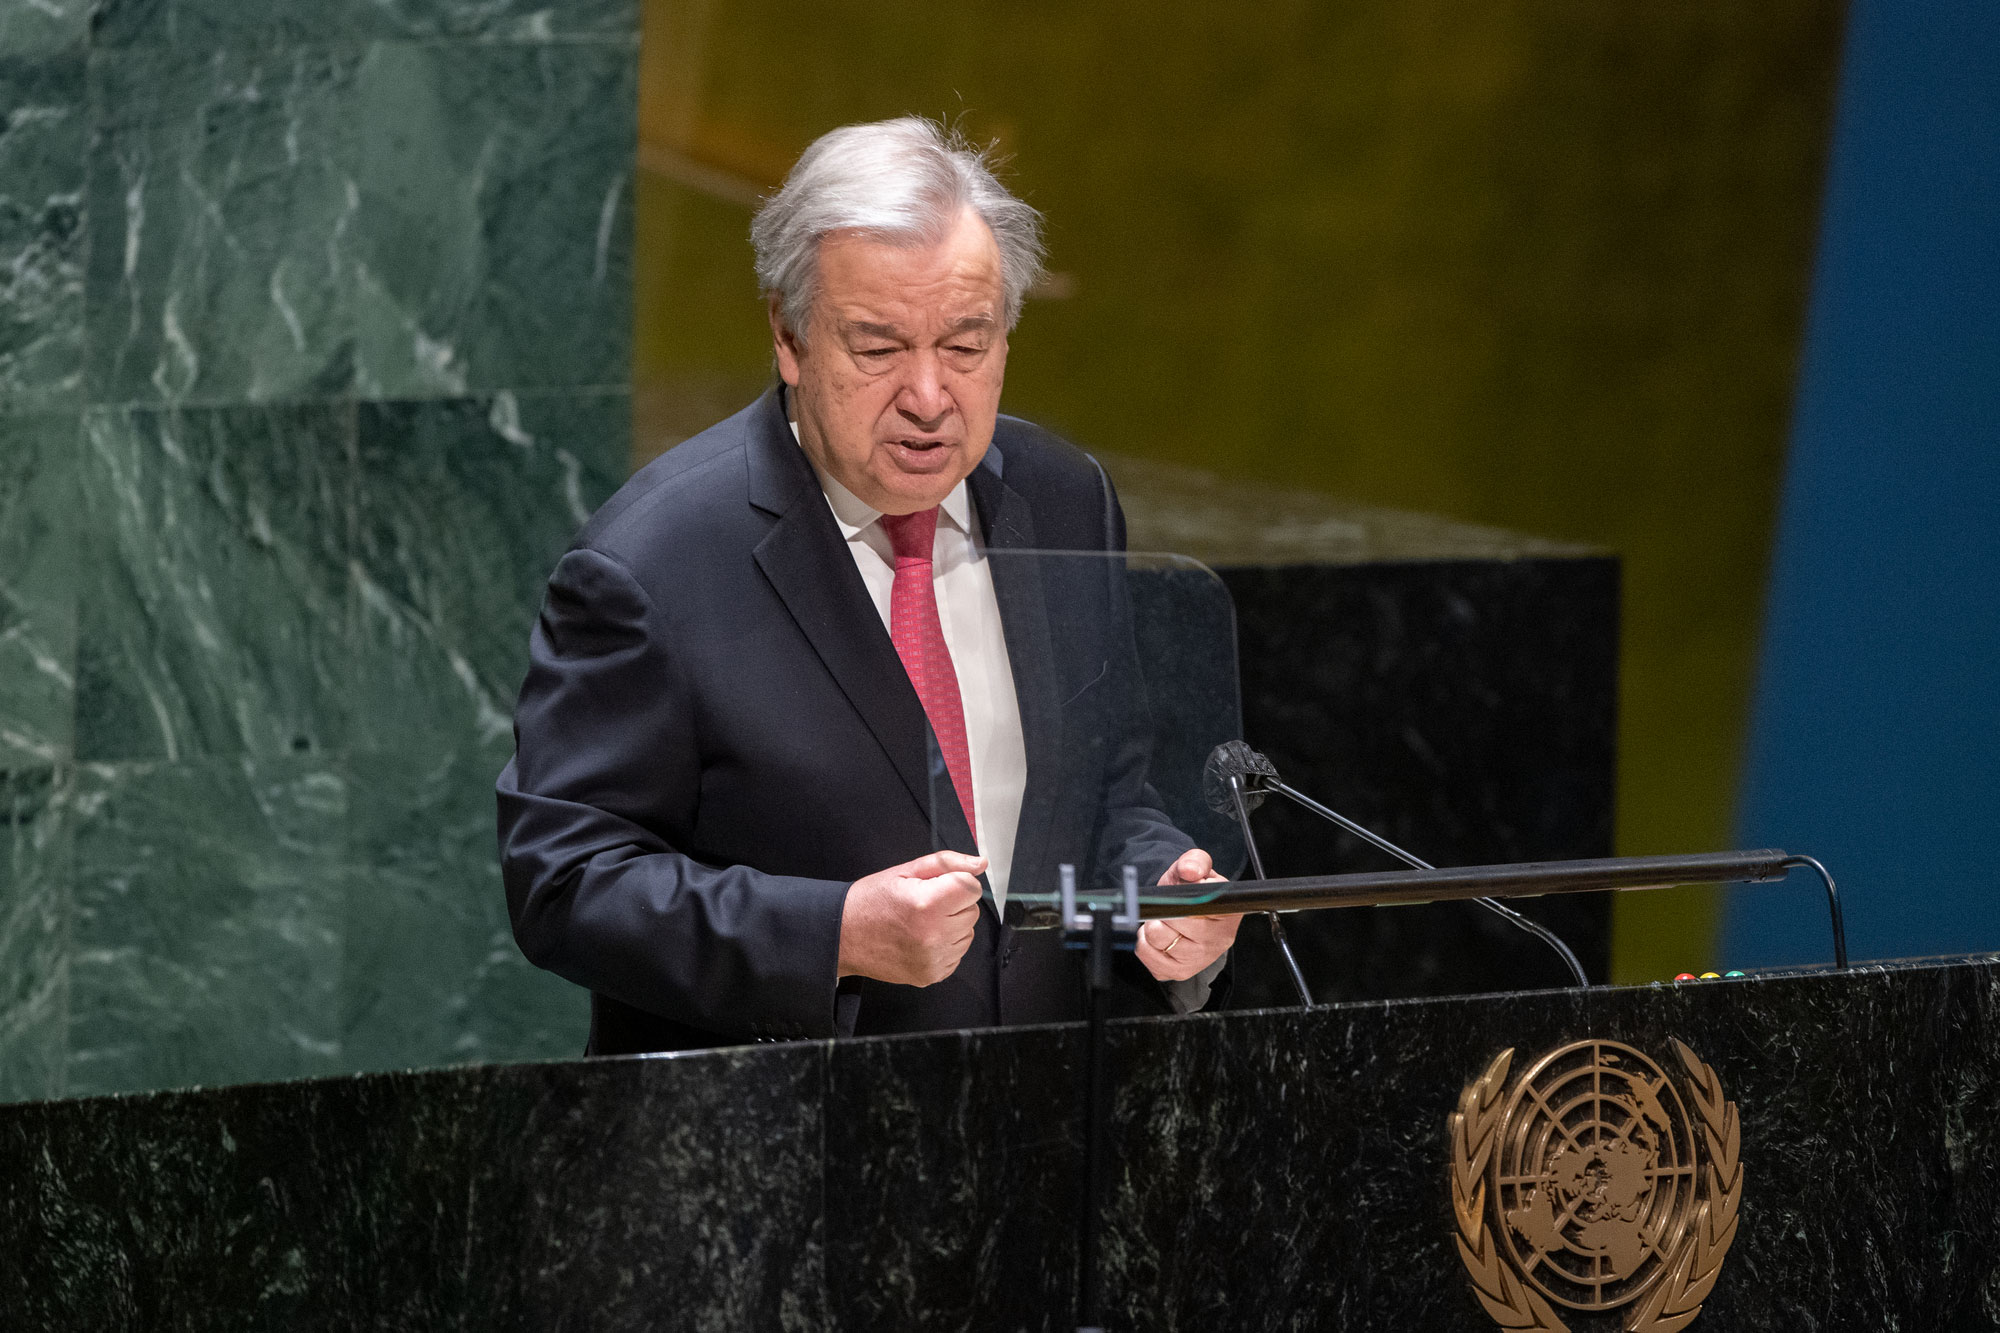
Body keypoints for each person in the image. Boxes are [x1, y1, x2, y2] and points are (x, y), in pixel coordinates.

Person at [498, 117, 1241, 1055]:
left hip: (1049, 1135)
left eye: (966, 346)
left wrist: (1164, 890)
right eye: (880, 347)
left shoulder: (1065, 502)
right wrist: (835, 934)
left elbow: (1105, 790)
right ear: (789, 335)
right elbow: (565, 881)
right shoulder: (651, 563)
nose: (930, 396)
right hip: (780, 1153)